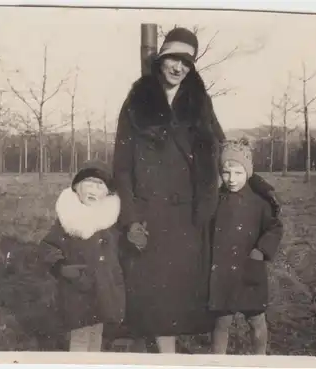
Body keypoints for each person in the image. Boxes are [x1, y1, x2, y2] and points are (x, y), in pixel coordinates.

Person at [113, 27, 280, 353]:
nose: (178, 68)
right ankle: (166, 357)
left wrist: (257, 185)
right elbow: (121, 165)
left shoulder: (199, 101)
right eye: (173, 59)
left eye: (186, 62)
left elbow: (223, 146)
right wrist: (131, 219)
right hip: (149, 214)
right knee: (157, 296)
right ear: (160, 58)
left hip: (192, 216)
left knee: (183, 294)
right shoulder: (136, 102)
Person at [40, 159, 125, 352]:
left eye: (100, 185)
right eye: (88, 183)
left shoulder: (109, 220)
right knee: (80, 336)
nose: (93, 190)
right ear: (77, 189)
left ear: (107, 193)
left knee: (96, 333)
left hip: (104, 288)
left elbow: (121, 248)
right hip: (78, 288)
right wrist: (61, 266)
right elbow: (47, 247)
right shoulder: (68, 219)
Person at [209, 139, 283, 355]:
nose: (231, 179)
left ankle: (259, 360)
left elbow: (275, 228)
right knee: (221, 323)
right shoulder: (216, 200)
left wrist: (260, 251)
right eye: (226, 173)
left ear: (248, 173)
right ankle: (217, 362)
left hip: (250, 270)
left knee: (256, 320)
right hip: (223, 273)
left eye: (238, 173)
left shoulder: (259, 203)